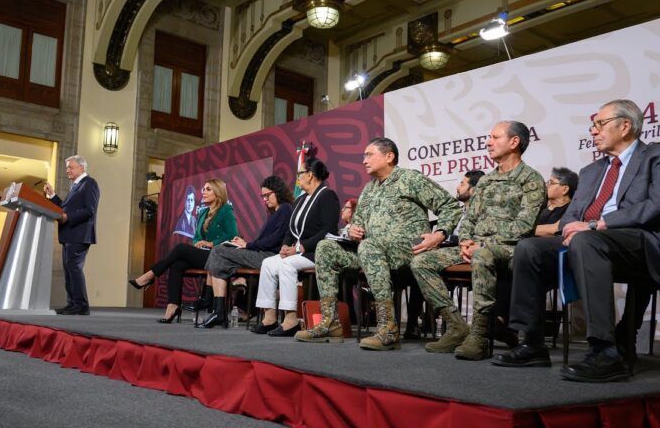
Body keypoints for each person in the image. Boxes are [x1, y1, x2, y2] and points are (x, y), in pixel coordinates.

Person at [494, 99, 660, 383]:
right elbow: (573, 214)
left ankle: (605, 351)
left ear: (625, 126)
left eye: (600, 124)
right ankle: (531, 342)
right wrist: (574, 226)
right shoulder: (591, 171)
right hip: (594, 238)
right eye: (593, 126)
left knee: (588, 241)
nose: (594, 131)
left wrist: (599, 224)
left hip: (639, 239)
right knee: (529, 248)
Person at [295, 138, 462, 350]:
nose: (364, 160)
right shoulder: (369, 189)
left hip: (407, 249)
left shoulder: (410, 179)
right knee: (325, 248)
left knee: (369, 246)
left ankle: (388, 327)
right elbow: (358, 222)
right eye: (364, 156)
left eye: (369, 154)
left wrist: (439, 234)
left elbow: (450, 206)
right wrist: (353, 230)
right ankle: (330, 322)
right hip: (372, 251)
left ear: (389, 156)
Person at [410, 121, 546, 360]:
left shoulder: (530, 179)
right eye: (488, 137)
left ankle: (480, 335)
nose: (488, 142)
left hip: (510, 250)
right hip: (475, 247)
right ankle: (456, 326)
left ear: (514, 142)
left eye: (495, 137)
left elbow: (524, 227)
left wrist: (481, 246)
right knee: (421, 262)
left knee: (483, 256)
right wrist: (464, 242)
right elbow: (470, 219)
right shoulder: (485, 181)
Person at [129, 179, 238, 323]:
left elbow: (232, 236)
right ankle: (172, 305)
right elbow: (197, 237)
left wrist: (211, 243)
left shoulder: (225, 210)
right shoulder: (203, 212)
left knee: (180, 248)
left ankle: (150, 275)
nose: (203, 192)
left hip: (217, 256)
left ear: (218, 192)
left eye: (208, 189)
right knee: (177, 265)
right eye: (203, 189)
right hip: (203, 254)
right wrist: (197, 243)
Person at [254, 158, 340, 337]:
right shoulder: (301, 199)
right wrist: (286, 245)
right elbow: (291, 229)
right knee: (268, 264)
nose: (297, 177)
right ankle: (269, 318)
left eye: (300, 173)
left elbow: (328, 230)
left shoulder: (327, 196)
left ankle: (290, 320)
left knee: (287, 265)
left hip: (316, 252)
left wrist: (300, 248)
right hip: (298, 251)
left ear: (310, 175)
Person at [197, 175, 294, 329]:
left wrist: (247, 244)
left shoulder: (285, 209)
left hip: (270, 257)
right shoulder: (275, 212)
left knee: (218, 251)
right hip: (262, 254)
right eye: (263, 196)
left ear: (278, 192)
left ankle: (214, 305)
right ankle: (218, 308)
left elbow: (275, 240)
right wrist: (241, 244)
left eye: (268, 195)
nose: (265, 199)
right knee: (220, 253)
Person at [406, 170, 484, 340]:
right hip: (445, 249)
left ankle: (447, 321)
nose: (457, 188)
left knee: (425, 261)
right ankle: (415, 322)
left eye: (462, 184)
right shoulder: (457, 212)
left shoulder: (483, 211)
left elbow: (475, 237)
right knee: (417, 257)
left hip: (465, 252)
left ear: (474, 189)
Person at [44, 155, 100, 316]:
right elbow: (64, 208)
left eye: (71, 167)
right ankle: (72, 304)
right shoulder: (75, 186)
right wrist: (53, 195)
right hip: (70, 235)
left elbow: (90, 210)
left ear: (82, 167)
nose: (67, 170)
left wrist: (68, 217)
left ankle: (81, 305)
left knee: (74, 268)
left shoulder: (89, 183)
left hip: (80, 234)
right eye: (67, 167)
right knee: (69, 270)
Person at [535, 167, 578, 237]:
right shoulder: (541, 205)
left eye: (551, 183)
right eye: (547, 182)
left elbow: (555, 229)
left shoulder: (572, 209)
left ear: (565, 189)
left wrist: (521, 230)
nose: (546, 185)